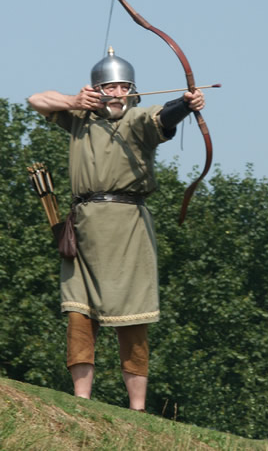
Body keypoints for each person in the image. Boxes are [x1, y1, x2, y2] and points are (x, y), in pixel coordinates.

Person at [28, 46, 205, 411]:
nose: (118, 93)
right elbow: (36, 99)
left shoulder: (139, 119)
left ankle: (137, 407)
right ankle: (82, 400)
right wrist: (73, 99)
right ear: (97, 90)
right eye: (111, 87)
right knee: (78, 312)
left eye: (125, 87)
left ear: (133, 91)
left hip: (128, 226)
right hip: (84, 224)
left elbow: (166, 118)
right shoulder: (79, 117)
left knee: (133, 315)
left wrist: (187, 103)